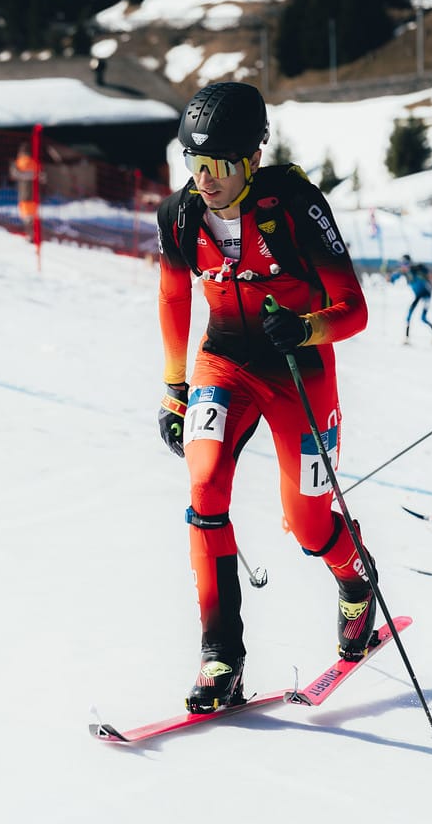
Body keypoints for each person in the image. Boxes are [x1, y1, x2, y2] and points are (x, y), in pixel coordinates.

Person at [156, 81, 371, 714]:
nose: (205, 180)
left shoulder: (296, 205)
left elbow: (354, 308)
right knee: (205, 490)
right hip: (223, 362)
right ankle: (220, 654)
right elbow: (173, 296)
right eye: (193, 162)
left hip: (299, 370)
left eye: (219, 165)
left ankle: (355, 580)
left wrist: (306, 327)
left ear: (252, 158)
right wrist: (174, 388)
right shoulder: (180, 215)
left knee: (308, 523)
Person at [390, 253, 432, 342]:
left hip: (426, 294)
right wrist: (390, 279)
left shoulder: (417, 269)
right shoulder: (403, 273)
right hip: (418, 296)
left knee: (423, 318)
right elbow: (394, 277)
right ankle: (407, 337)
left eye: (406, 263)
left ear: (410, 263)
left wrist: (430, 275)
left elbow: (427, 271)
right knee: (409, 315)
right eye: (402, 264)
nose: (404, 266)